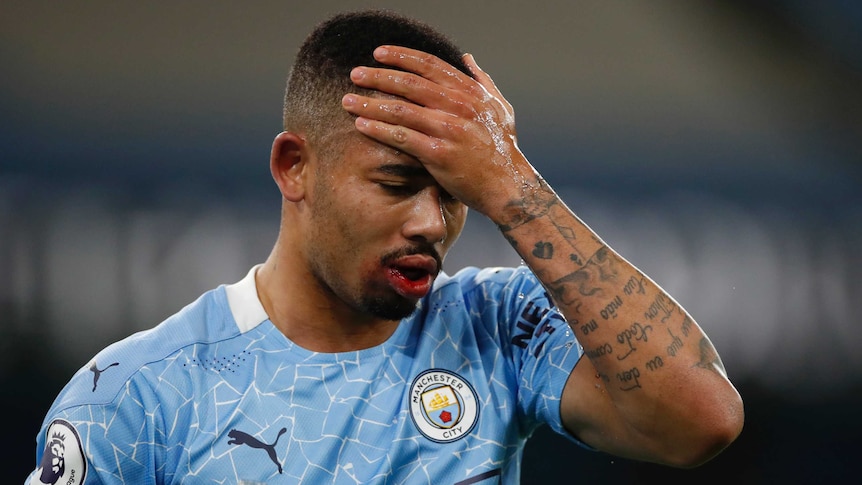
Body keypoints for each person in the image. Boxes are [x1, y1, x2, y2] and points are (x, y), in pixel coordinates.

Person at [26, 9, 743, 484]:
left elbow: (700, 419)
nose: (433, 222)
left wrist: (511, 183)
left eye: (457, 192)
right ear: (294, 167)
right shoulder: (135, 396)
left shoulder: (497, 328)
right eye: (398, 183)